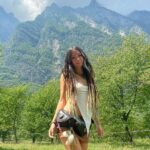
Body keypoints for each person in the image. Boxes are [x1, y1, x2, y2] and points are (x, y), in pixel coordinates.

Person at [49, 46, 103, 150]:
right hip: (68, 120)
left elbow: (91, 102)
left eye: (79, 55)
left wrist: (98, 124)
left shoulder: (89, 75)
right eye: (73, 57)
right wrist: (53, 123)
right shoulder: (66, 75)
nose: (77, 59)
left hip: (84, 122)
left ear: (83, 56)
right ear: (70, 61)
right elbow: (62, 100)